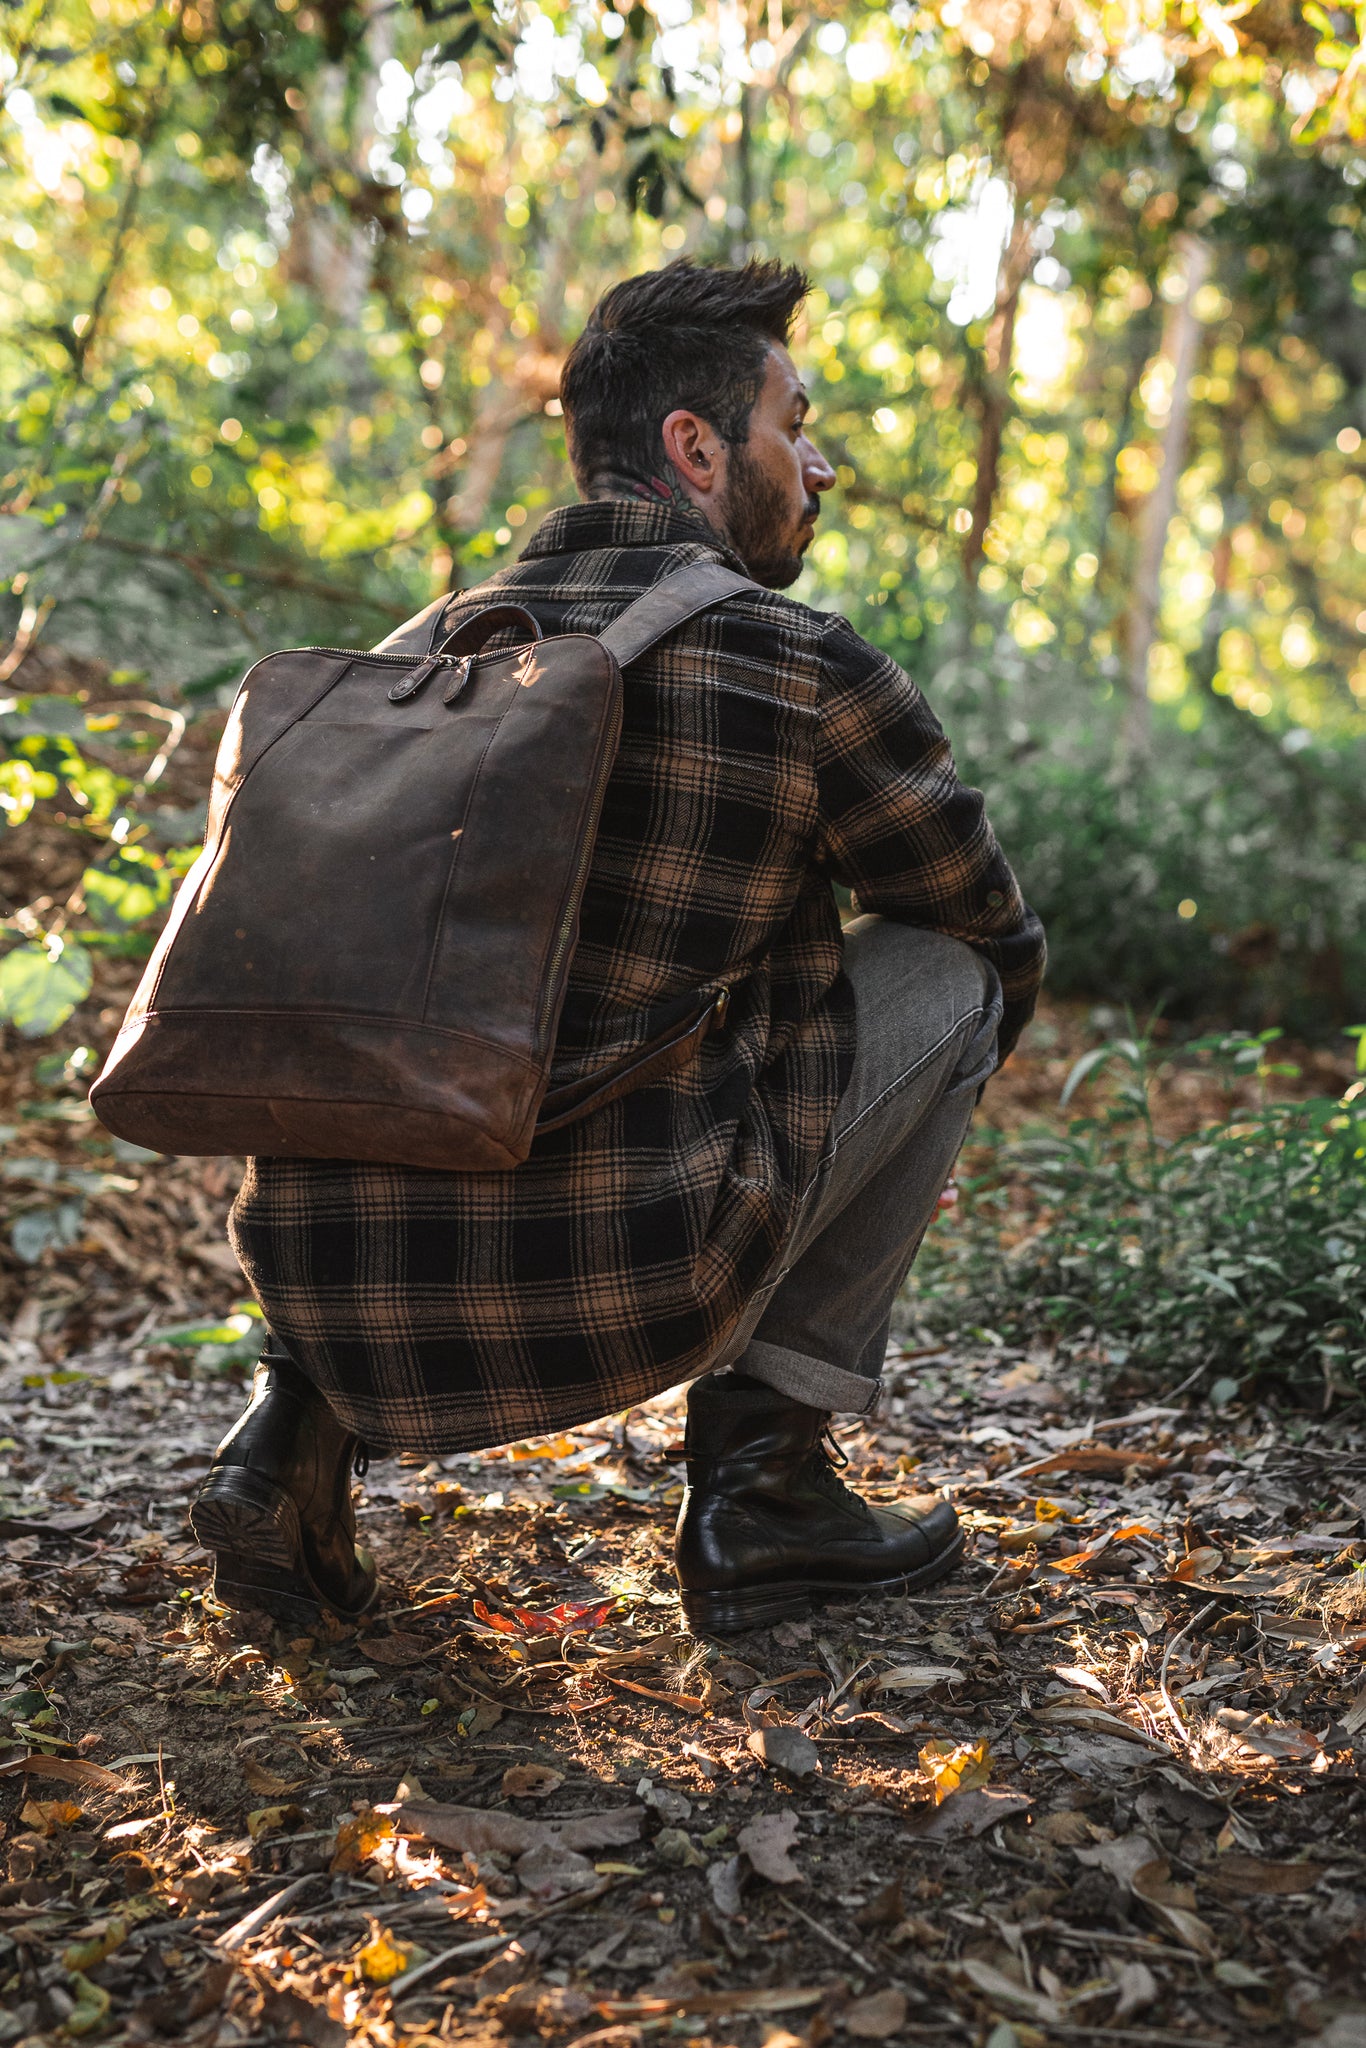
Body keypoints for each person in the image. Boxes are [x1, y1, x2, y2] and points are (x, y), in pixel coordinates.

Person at [191, 259, 1046, 1635]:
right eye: (794, 423)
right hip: (621, 1278)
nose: (818, 464)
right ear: (695, 447)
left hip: (329, 1283)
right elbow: (988, 924)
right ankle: (762, 1487)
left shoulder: (402, 661)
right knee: (952, 974)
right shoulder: (797, 665)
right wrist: (784, 984)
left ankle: (288, 1435)